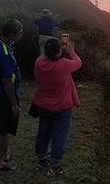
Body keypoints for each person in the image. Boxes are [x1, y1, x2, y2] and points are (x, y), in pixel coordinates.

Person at [32, 36, 82, 176]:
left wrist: (56, 46)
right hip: (61, 107)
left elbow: (48, 54)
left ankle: (41, 160)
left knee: (43, 132)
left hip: (43, 105)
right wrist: (71, 51)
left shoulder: (39, 62)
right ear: (59, 52)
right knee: (60, 134)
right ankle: (54, 165)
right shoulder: (64, 64)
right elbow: (78, 63)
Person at [0, 19, 24, 171]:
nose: (21, 35)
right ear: (11, 34)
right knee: (2, 128)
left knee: (5, 125)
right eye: (20, 33)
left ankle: (4, 154)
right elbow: (7, 81)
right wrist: (14, 104)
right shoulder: (3, 52)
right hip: (3, 95)